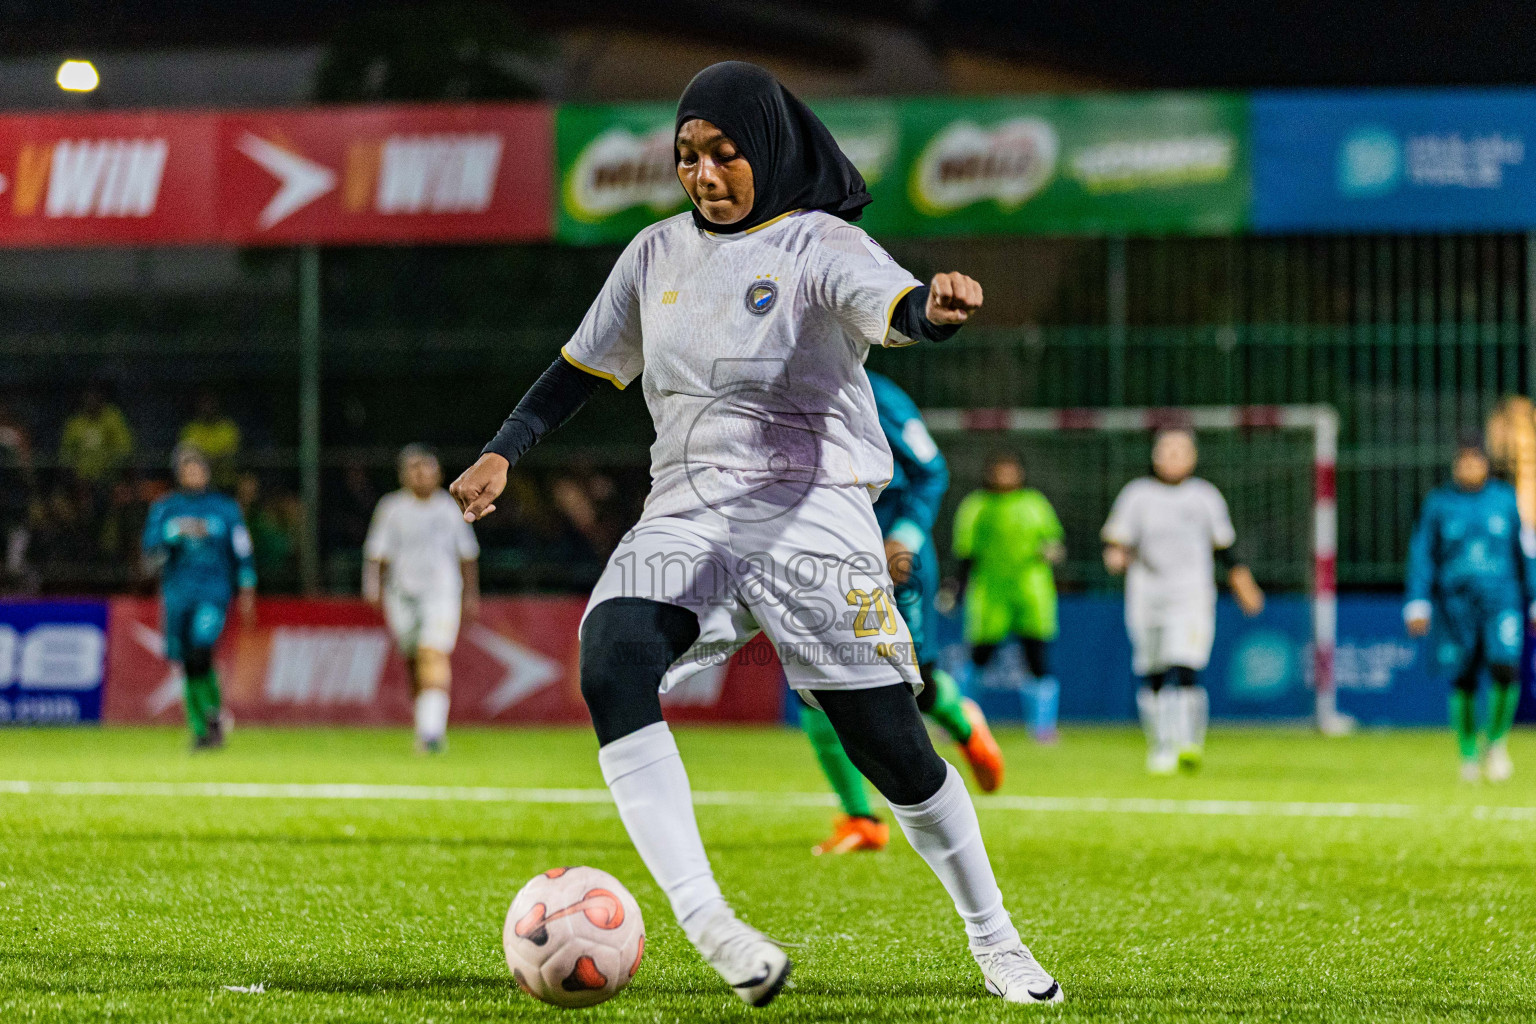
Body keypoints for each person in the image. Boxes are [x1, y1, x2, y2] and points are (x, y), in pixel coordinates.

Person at [449, 62, 1062, 1006]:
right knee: (610, 652)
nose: (702, 174)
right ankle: (709, 921)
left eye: (723, 154)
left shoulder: (821, 244)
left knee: (892, 749)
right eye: (687, 156)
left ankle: (998, 940)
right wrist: (506, 450)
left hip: (813, 519)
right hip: (688, 511)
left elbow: (895, 305)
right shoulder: (653, 254)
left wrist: (932, 310)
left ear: (766, 150)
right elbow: (578, 367)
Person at [802, 370, 1004, 856]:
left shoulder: (878, 394)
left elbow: (932, 470)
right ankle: (860, 819)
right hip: (821, 555)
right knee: (812, 685)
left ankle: (961, 721)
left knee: (913, 685)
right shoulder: (786, 388)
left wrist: (906, 537)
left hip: (893, 557)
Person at [1102, 429, 1264, 774]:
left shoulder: (1205, 497)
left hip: (1191, 595)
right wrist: (1115, 555)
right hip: (1147, 597)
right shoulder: (1137, 496)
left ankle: (1188, 742)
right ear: (1155, 456)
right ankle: (1160, 746)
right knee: (1154, 673)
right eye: (1167, 450)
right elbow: (1117, 541)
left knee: (1185, 665)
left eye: (1181, 450)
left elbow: (1225, 548)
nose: (1174, 457)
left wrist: (1244, 585)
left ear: (1193, 457)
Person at [1405, 434, 1536, 783]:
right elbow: (1422, 553)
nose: (1469, 468)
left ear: (1486, 464)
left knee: (1505, 667)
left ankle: (1496, 743)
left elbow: (1526, 551)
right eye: (1462, 462)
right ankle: (1467, 753)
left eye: (1475, 461)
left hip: (1501, 599)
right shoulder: (1438, 503)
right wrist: (1417, 600)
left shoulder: (1505, 500)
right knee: (1462, 677)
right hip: (1454, 604)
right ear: (1455, 465)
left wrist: (1534, 596)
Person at [364, 445, 481, 754]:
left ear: (438, 472)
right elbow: (377, 553)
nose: (420, 474)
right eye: (413, 468)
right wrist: (372, 587)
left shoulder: (449, 507)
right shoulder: (391, 508)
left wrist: (470, 594)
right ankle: (424, 723)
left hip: (441, 593)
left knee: (433, 653)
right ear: (403, 474)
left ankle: (432, 732)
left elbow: (467, 555)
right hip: (401, 594)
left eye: (425, 467)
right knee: (414, 660)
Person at [141, 446, 256, 750]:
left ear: (206, 472)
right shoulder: (166, 508)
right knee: (185, 662)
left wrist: (247, 588)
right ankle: (201, 728)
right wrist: (171, 536)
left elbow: (242, 552)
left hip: (213, 593)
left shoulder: (225, 509)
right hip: (178, 595)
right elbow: (149, 550)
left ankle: (213, 715)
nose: (193, 474)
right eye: (187, 469)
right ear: (179, 474)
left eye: (198, 468)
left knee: (200, 650)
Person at [952, 452, 1065, 742]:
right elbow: (966, 551)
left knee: (1036, 657)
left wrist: (1052, 552)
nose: (1005, 476)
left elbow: (1054, 543)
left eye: (1011, 470)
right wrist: (956, 589)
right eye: (1000, 471)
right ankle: (956, 720)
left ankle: (1043, 728)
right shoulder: (976, 506)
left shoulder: (1034, 503)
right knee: (979, 656)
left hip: (1031, 591)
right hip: (990, 591)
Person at [60, 383, 134, 489]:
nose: (92, 400)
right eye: (89, 396)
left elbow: (125, 450)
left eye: (95, 396)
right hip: (81, 482)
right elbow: (66, 455)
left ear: (101, 397)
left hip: (110, 480)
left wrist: (108, 470)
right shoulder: (75, 423)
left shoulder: (113, 417)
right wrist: (76, 478)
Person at [178, 391, 241, 489]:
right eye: (204, 404)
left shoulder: (228, 428)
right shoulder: (190, 429)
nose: (207, 407)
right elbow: (186, 456)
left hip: (224, 482)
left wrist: (207, 459)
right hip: (196, 483)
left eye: (210, 404)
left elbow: (230, 455)